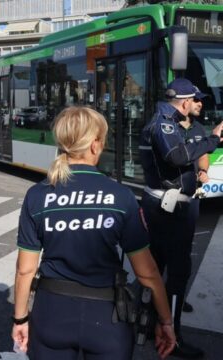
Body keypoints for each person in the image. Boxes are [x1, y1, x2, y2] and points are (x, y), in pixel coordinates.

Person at [12, 106, 176, 360]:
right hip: (106, 318)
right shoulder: (120, 196)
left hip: (51, 314)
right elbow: (148, 273)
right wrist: (165, 321)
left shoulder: (38, 195)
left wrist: (20, 318)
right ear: (94, 145)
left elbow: (25, 270)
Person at [139, 78, 223, 359]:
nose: (199, 103)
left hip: (178, 207)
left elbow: (194, 153)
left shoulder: (176, 123)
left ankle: (153, 318)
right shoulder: (163, 123)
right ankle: (170, 334)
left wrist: (203, 162)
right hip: (168, 209)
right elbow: (176, 156)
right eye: (196, 99)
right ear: (185, 101)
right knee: (176, 270)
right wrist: (215, 139)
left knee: (164, 264)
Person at [179, 88, 210, 314]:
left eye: (202, 101)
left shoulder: (198, 128)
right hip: (169, 199)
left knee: (184, 251)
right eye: (197, 100)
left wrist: (203, 171)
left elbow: (203, 153)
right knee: (161, 253)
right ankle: (151, 299)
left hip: (191, 198)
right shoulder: (169, 128)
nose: (200, 104)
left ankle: (177, 297)